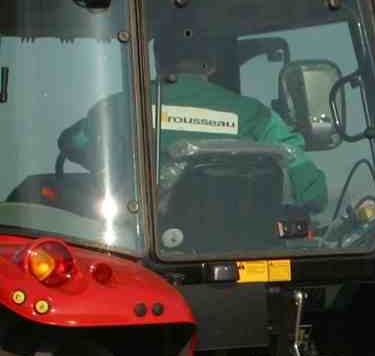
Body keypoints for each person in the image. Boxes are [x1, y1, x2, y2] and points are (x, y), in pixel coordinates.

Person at [57, 23, 328, 215]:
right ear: (210, 64)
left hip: (144, 250)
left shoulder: (120, 106)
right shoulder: (255, 114)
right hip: (241, 245)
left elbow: (76, 143)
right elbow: (308, 185)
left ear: (158, 60)